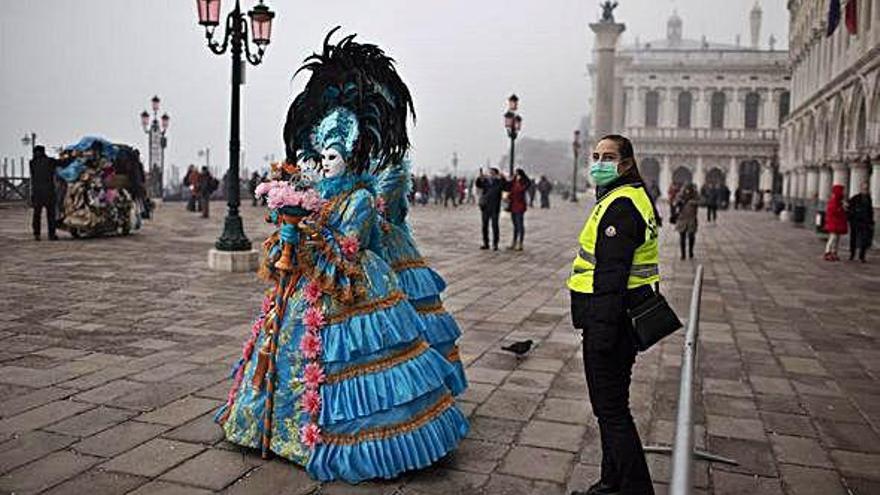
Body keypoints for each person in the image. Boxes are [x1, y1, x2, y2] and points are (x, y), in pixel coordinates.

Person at [216, 30, 467, 484]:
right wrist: (291, 225)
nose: (327, 162)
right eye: (321, 154)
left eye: (335, 155)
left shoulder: (361, 197)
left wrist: (309, 233)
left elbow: (350, 245)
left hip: (350, 282)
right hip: (307, 284)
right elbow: (303, 238)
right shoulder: (316, 192)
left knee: (352, 360)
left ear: (350, 157)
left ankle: (348, 438)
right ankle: (273, 427)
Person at [568, 134, 658, 495]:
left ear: (625, 164)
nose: (599, 162)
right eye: (595, 155)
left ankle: (635, 489)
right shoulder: (628, 197)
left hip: (611, 322)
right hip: (619, 317)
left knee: (612, 411)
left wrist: (601, 335)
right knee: (610, 410)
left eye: (608, 157)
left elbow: (611, 275)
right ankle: (611, 483)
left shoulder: (620, 206)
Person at [29, 145, 59, 241]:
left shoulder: (32, 163)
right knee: (51, 215)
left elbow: (32, 179)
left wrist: (32, 194)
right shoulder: (50, 161)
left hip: (37, 192)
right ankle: (51, 235)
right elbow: (62, 163)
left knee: (37, 214)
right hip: (49, 192)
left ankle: (37, 234)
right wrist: (73, 157)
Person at [476, 167, 504, 250]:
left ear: (496, 174)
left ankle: (495, 244)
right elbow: (478, 185)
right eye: (490, 173)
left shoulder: (499, 182)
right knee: (484, 226)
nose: (490, 174)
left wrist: (502, 178)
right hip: (485, 207)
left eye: (492, 173)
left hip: (495, 207)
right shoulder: (485, 181)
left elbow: (505, 187)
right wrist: (479, 178)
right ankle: (486, 243)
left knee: (495, 226)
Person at [847, 182, 874, 262]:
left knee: (864, 239)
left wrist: (871, 222)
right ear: (861, 189)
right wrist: (851, 217)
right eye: (864, 188)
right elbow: (849, 208)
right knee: (853, 238)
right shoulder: (855, 198)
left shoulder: (868, 199)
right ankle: (852, 254)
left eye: (866, 189)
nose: (865, 190)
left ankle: (862, 256)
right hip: (855, 222)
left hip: (865, 222)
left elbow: (870, 211)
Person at [505, 168, 531, 251]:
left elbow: (524, 187)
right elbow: (508, 188)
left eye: (517, 174)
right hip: (512, 206)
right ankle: (514, 242)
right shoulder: (513, 182)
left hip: (519, 206)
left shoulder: (523, 183)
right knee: (515, 225)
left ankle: (520, 243)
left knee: (520, 225)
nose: (516, 175)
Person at [823, 184, 848, 261]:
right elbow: (834, 212)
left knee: (836, 238)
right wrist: (842, 208)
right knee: (832, 238)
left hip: (838, 223)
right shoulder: (834, 201)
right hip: (834, 223)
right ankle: (827, 252)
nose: (844, 193)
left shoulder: (838, 201)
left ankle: (834, 252)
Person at [675, 184, 699, 260]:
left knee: (691, 236)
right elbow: (674, 203)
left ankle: (691, 252)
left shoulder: (695, 195)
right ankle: (683, 254)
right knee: (682, 237)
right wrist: (679, 201)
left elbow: (701, 201)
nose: (687, 191)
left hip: (692, 219)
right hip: (682, 219)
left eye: (688, 189)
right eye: (685, 189)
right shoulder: (680, 196)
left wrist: (693, 202)